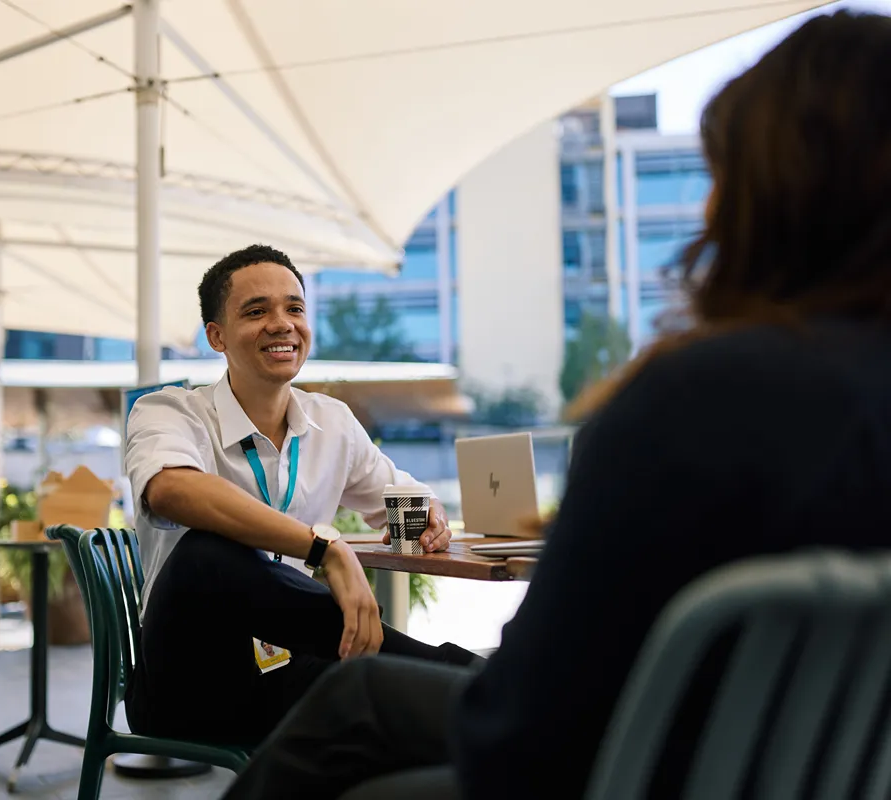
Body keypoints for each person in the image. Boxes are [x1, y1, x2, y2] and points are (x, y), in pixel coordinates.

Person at [221, 10, 891, 799]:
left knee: (357, 709)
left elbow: (529, 727)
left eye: (719, 178)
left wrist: (416, 514)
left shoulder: (697, 399)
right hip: (827, 771)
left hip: (653, 767)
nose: (708, 208)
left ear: (766, 196)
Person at [123, 244, 478, 747]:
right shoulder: (169, 411)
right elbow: (170, 489)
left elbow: (399, 501)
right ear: (216, 336)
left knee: (402, 699)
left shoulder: (330, 422)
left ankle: (469, 684)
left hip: (288, 664)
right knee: (207, 552)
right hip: (188, 683)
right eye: (256, 311)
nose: (281, 323)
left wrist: (425, 521)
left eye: (294, 308)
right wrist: (324, 550)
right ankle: (453, 671)